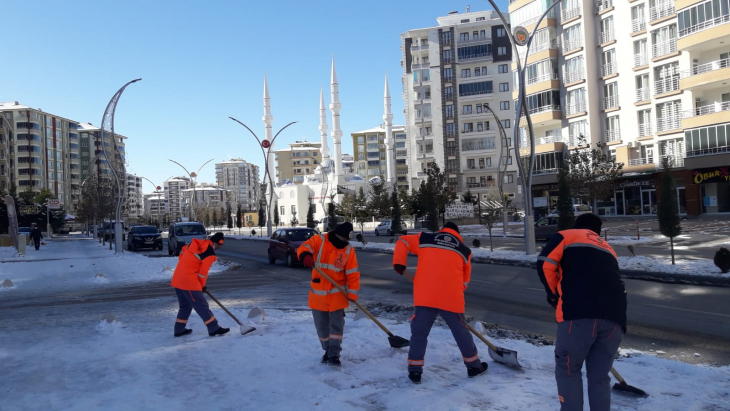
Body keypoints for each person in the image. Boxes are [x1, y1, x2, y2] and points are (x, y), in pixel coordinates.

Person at [537, 213, 628, 411]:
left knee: (568, 369)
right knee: (599, 377)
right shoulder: (608, 248)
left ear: (577, 225)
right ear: (598, 231)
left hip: (578, 315)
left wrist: (554, 295)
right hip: (615, 320)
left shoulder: (566, 236)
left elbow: (545, 263)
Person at [392, 221, 488, 384]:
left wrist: (399, 262)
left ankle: (415, 371)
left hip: (425, 295)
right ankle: (474, 367)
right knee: (461, 332)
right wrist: (452, 292)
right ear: (457, 235)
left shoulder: (426, 238)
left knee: (419, 333)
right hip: (451, 298)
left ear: (442, 230)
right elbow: (465, 281)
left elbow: (402, 240)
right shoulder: (465, 251)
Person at [297, 222, 360, 367]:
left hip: (337, 295)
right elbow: (304, 247)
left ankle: (334, 354)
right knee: (322, 327)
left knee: (337, 327)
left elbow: (353, 274)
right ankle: (327, 350)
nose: (344, 243)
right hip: (318, 295)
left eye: (347, 241)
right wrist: (305, 255)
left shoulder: (348, 250)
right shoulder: (320, 240)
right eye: (343, 240)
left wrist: (353, 293)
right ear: (336, 235)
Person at [170, 232, 230, 338]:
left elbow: (182, 251)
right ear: (217, 243)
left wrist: (185, 266)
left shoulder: (197, 244)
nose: (219, 247)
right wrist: (202, 286)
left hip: (178, 278)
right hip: (189, 282)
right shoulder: (209, 253)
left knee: (185, 306)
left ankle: (179, 330)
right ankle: (214, 328)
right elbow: (202, 273)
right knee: (201, 305)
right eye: (220, 245)